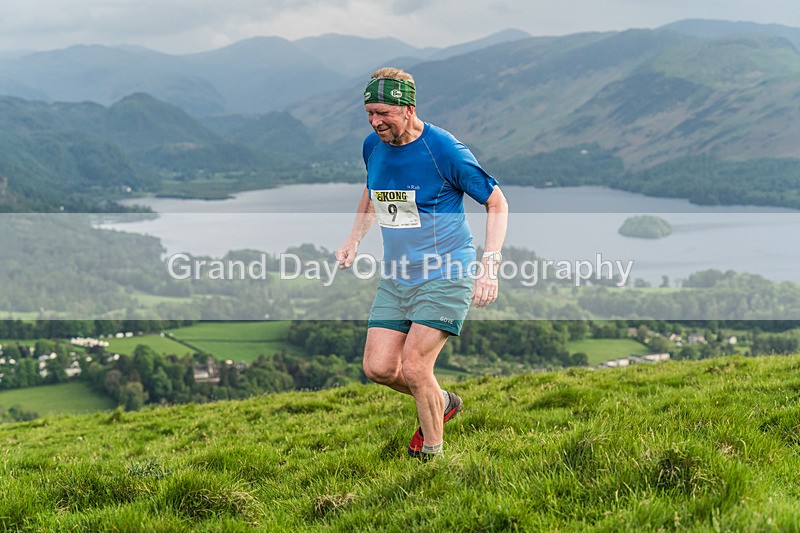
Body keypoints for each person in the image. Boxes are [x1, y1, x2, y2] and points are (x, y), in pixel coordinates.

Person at [336, 67, 508, 460]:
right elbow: (372, 189)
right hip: (398, 276)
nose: (375, 121)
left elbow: (496, 202)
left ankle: (431, 457)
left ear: (408, 109)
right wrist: (353, 239)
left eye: (383, 113)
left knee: (415, 367)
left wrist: (490, 264)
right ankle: (442, 401)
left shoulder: (444, 150)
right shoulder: (373, 145)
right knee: (378, 368)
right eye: (369, 113)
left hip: (447, 271)